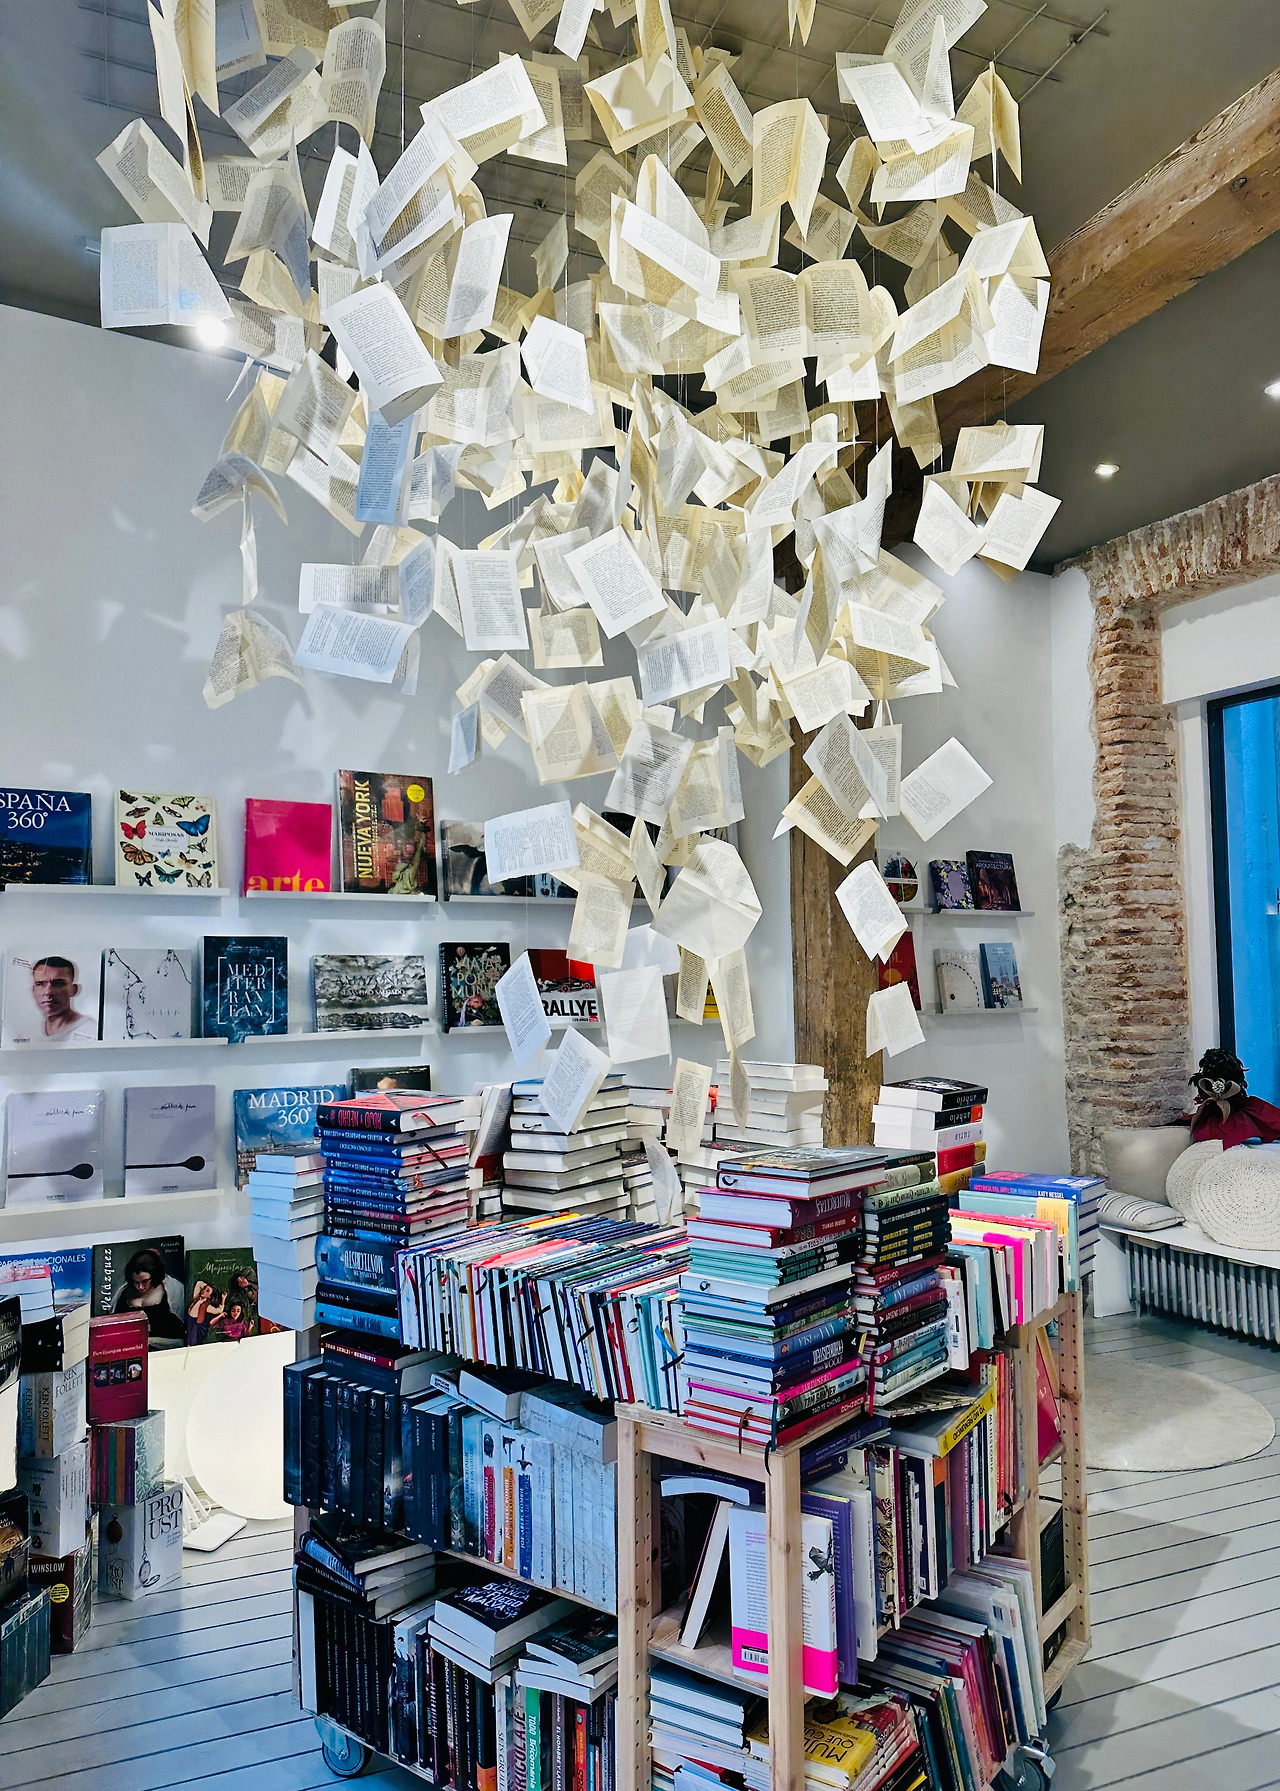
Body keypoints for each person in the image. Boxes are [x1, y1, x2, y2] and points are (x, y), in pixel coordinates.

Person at [113, 1247, 186, 1341]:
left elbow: (181, 1329)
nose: (140, 1287)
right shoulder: (124, 1293)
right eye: (136, 1282)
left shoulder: (172, 1291)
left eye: (145, 1281)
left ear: (154, 1275)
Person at [28, 956, 97, 1042]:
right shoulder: (28, 1034)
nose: (48, 992)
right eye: (40, 984)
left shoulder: (93, 1032)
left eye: (58, 984)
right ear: (33, 990)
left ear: (74, 990)